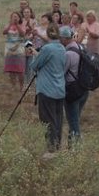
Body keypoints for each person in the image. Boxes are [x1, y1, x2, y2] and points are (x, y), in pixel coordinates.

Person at [32, 25, 67, 153]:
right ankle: (57, 145)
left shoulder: (47, 48)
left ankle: (51, 148)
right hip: (60, 88)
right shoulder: (62, 48)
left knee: (47, 120)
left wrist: (35, 55)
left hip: (46, 89)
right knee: (58, 119)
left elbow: (35, 66)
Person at [61, 27, 90, 146]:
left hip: (72, 90)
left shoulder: (68, 53)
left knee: (73, 121)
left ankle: (77, 148)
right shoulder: (81, 47)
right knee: (75, 118)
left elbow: (61, 72)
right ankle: (70, 144)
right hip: (83, 88)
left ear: (64, 38)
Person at [2, 12, 27, 90]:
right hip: (9, 50)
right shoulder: (8, 25)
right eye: (13, 17)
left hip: (19, 50)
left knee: (20, 70)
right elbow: (4, 32)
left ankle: (21, 86)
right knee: (11, 69)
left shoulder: (22, 25)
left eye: (16, 17)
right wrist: (10, 25)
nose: (15, 18)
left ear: (19, 18)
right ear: (11, 18)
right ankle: (13, 85)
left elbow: (23, 34)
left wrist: (17, 25)